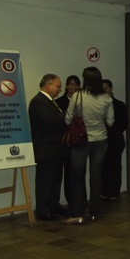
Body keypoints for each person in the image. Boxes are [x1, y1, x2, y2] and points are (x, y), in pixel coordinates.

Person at [63, 67, 114, 225]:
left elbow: (67, 119)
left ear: (85, 79)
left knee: (77, 176)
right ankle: (93, 212)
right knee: (96, 176)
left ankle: (78, 213)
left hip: (81, 140)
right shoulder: (106, 98)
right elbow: (110, 122)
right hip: (100, 140)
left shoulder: (77, 96)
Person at [28, 74, 66, 221]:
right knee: (45, 181)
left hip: (56, 149)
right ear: (48, 85)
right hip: (46, 150)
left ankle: (53, 205)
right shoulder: (38, 102)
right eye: (58, 86)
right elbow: (51, 121)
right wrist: (68, 113)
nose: (60, 89)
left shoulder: (50, 102)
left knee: (55, 179)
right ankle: (42, 210)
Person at [56, 75, 81, 212]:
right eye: (71, 84)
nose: (74, 87)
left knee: (77, 172)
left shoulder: (83, 100)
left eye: (76, 85)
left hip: (79, 140)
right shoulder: (59, 102)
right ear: (66, 86)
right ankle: (70, 200)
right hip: (65, 141)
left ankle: (78, 199)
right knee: (67, 172)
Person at [101, 79, 128, 201]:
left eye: (106, 88)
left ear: (111, 88)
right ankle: (104, 191)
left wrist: (113, 130)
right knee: (103, 166)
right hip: (101, 140)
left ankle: (114, 192)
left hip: (116, 140)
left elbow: (124, 123)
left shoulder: (119, 105)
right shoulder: (99, 104)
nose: (104, 91)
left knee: (115, 166)